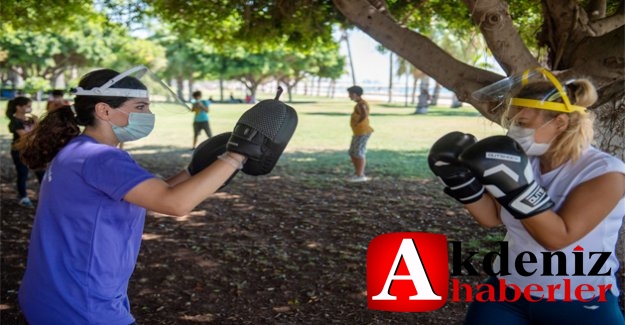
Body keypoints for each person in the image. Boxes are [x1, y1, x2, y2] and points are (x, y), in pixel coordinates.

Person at [16, 67, 295, 324]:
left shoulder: (80, 149)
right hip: (80, 306)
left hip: (53, 293)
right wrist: (236, 156)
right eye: (140, 107)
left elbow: (151, 195)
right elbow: (174, 204)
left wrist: (192, 171)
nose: (148, 114)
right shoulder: (102, 158)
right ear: (104, 110)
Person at [428, 69, 625, 324]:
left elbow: (557, 238)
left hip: (579, 300)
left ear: (560, 123)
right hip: (507, 292)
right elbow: (492, 217)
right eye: (511, 121)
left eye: (522, 124)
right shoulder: (526, 162)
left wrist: (518, 187)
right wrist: (458, 180)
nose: (512, 130)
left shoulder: (606, 173)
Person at [6, 96, 45, 208]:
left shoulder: (30, 120)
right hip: (20, 151)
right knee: (23, 173)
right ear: (19, 107)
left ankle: (45, 195)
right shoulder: (15, 122)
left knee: (41, 172)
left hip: (33, 150)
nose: (30, 108)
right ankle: (23, 197)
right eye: (28, 106)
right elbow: (25, 136)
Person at [346, 85, 374, 182]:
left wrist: (358, 122)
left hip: (362, 132)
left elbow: (364, 114)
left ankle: (360, 175)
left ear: (355, 94)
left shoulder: (361, 104)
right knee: (352, 152)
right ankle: (357, 172)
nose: (349, 96)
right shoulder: (359, 104)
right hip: (358, 132)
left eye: (350, 94)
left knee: (358, 152)